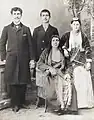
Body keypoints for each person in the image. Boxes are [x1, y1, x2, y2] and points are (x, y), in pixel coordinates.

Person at [0, 7, 35, 112]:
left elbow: (30, 45)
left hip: (23, 59)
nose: (16, 16)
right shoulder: (6, 29)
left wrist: (32, 59)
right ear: (12, 15)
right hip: (11, 59)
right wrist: (3, 57)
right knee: (13, 81)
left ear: (21, 15)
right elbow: (2, 44)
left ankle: (22, 102)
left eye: (18, 13)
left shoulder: (26, 29)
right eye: (15, 14)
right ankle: (15, 104)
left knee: (23, 80)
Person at [36, 35, 78, 115]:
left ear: (59, 42)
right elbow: (39, 63)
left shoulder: (62, 51)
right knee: (54, 86)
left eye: (57, 40)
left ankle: (68, 107)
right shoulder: (46, 52)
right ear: (51, 42)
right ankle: (59, 107)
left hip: (62, 73)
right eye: (53, 40)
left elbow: (68, 64)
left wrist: (68, 73)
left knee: (69, 83)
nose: (55, 42)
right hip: (51, 75)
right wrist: (49, 68)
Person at [61, 17, 94, 109]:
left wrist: (88, 62)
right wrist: (64, 49)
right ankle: (75, 103)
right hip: (70, 62)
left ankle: (84, 103)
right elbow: (60, 44)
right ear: (71, 25)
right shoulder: (67, 35)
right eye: (74, 24)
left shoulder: (83, 36)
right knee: (74, 74)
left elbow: (88, 49)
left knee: (84, 74)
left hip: (81, 60)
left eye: (77, 24)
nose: (76, 26)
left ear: (80, 26)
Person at [33, 9, 59, 106]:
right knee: (40, 78)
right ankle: (40, 99)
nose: (45, 17)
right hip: (40, 58)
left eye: (47, 15)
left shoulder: (54, 30)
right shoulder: (36, 30)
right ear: (41, 17)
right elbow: (33, 45)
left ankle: (50, 98)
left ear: (49, 17)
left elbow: (57, 44)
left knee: (50, 77)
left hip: (50, 58)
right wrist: (35, 59)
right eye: (43, 15)